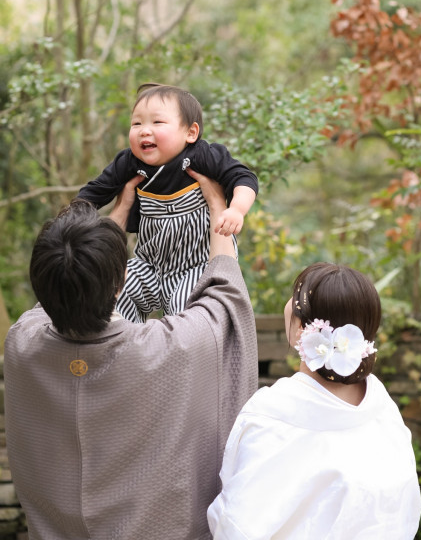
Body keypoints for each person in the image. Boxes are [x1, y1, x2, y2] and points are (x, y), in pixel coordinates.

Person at [4, 171, 259, 540]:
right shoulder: (170, 346)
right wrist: (219, 206)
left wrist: (120, 211)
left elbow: (66, 282)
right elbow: (224, 296)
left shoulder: (22, 343)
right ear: (124, 277)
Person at [208, 262, 421, 539]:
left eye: (294, 299)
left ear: (300, 330)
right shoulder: (384, 411)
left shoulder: (272, 414)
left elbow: (236, 524)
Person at [78, 83, 258, 323]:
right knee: (111, 293)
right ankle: (126, 350)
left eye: (157, 122)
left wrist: (236, 209)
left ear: (190, 133)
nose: (144, 131)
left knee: (184, 308)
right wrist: (72, 218)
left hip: (196, 266)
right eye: (137, 123)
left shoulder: (201, 155)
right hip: (148, 265)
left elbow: (244, 177)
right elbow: (94, 192)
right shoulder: (129, 162)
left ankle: (177, 353)